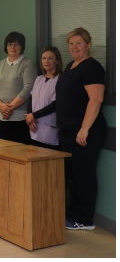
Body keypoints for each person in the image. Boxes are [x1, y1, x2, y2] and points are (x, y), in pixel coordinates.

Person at [58, 28, 107, 231]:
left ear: (88, 44)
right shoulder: (71, 66)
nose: (74, 47)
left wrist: (84, 129)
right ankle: (73, 213)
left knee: (83, 174)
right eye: (71, 43)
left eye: (79, 43)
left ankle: (84, 219)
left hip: (85, 132)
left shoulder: (92, 67)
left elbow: (96, 99)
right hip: (68, 129)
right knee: (71, 174)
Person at [0, 31, 37, 144]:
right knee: (4, 151)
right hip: (0, 116)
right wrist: (1, 106)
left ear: (22, 46)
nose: (13, 47)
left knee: (19, 151)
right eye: (10, 44)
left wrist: (9, 108)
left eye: (16, 44)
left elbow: (28, 88)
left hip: (20, 117)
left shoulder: (28, 64)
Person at [24, 46, 62, 151]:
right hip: (35, 128)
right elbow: (31, 99)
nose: (46, 61)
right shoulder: (39, 79)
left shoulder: (60, 79)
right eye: (44, 58)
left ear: (57, 61)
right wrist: (30, 118)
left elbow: (55, 104)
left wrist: (34, 115)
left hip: (49, 130)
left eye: (50, 58)